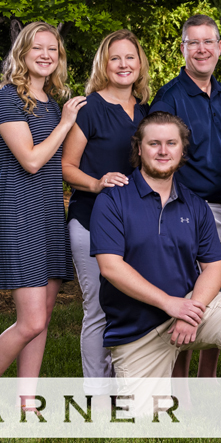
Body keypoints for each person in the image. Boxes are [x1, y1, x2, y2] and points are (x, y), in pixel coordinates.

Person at [89, 111, 221, 392]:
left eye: (171, 143)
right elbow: (110, 267)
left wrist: (189, 311)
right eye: (153, 143)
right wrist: (169, 303)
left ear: (182, 151)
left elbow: (214, 267)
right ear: (139, 148)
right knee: (146, 429)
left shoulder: (195, 205)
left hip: (187, 313)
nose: (162, 151)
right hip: (138, 331)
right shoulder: (113, 200)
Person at [0, 21, 86, 410]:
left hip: (52, 214)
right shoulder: (7, 98)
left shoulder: (52, 102)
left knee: (46, 314)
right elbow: (33, 160)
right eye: (38, 48)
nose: (45, 55)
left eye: (53, 49)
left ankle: (26, 399)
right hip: (21, 216)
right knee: (31, 321)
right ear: (22, 52)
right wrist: (67, 122)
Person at [149, 14, 221, 379]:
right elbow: (158, 159)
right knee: (191, 294)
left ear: (219, 47)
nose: (202, 49)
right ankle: (179, 387)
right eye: (194, 43)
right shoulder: (170, 97)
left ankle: (208, 381)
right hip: (190, 209)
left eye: (209, 42)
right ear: (183, 49)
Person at [61, 30, 150, 395]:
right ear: (104, 64)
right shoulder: (90, 108)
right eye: (116, 58)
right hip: (90, 220)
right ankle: (97, 395)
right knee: (98, 307)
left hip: (135, 225)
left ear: (140, 64)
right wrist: (97, 183)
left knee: (130, 304)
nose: (123, 64)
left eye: (130, 57)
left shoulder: (146, 111)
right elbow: (66, 166)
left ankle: (125, 388)